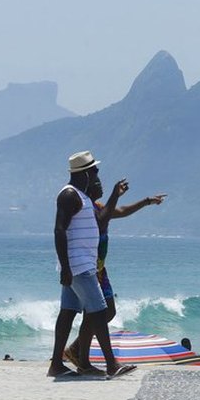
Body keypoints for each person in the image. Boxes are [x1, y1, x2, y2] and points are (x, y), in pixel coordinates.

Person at [63, 160, 165, 373]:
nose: (100, 184)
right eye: (97, 182)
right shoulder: (87, 208)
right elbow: (102, 220)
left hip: (100, 268)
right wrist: (114, 194)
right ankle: (83, 357)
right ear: (89, 186)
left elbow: (121, 211)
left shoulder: (99, 206)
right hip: (89, 267)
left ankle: (76, 351)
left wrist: (146, 201)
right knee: (98, 312)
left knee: (106, 312)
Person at [47, 150, 135, 379]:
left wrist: (115, 195)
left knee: (68, 312)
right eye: (94, 171)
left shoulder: (82, 198)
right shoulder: (68, 195)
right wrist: (65, 267)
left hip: (80, 264)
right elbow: (59, 230)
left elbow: (101, 219)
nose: (96, 174)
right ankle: (112, 364)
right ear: (84, 173)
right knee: (99, 311)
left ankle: (57, 364)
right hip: (78, 266)